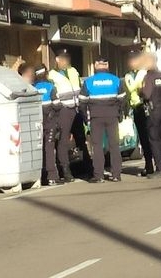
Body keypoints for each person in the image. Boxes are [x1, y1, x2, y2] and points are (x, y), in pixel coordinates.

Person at [79, 57, 127, 183]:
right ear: (107, 65)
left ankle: (99, 175)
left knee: (97, 146)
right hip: (112, 116)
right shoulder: (115, 80)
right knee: (114, 146)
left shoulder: (89, 82)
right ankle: (116, 174)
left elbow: (82, 102)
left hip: (96, 117)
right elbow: (123, 99)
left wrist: (85, 118)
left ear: (95, 65)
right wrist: (120, 113)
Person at [49, 49, 91, 178]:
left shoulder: (73, 71)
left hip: (77, 109)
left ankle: (88, 167)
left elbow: (80, 87)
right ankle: (66, 171)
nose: (66, 61)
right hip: (63, 110)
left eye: (67, 58)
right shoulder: (52, 75)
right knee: (63, 141)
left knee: (81, 139)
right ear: (57, 60)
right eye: (63, 58)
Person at [33, 64, 65, 186]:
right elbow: (57, 105)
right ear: (45, 73)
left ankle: (40, 176)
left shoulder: (32, 87)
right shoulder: (51, 87)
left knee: (38, 149)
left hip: (36, 122)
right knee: (49, 148)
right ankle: (52, 176)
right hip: (50, 121)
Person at [124, 50, 154, 176]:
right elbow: (130, 90)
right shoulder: (128, 76)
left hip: (147, 108)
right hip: (137, 109)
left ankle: (157, 164)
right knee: (143, 138)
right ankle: (148, 165)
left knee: (151, 138)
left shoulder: (145, 72)